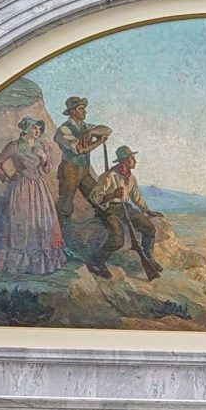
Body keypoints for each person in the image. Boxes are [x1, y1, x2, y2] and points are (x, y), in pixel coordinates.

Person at [0, 116, 66, 275]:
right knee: (20, 221)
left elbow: (47, 169)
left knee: (42, 221)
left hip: (39, 189)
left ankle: (38, 264)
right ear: (26, 129)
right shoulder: (14, 146)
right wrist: (6, 177)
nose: (38, 131)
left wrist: (43, 156)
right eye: (34, 128)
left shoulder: (41, 146)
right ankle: (16, 265)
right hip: (21, 188)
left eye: (39, 128)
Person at [87, 145, 162, 281]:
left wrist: (147, 210)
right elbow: (94, 197)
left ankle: (148, 258)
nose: (135, 161)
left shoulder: (131, 178)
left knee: (149, 228)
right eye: (132, 158)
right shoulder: (109, 176)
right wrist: (112, 195)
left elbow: (136, 197)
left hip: (125, 208)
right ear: (124, 161)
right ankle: (96, 263)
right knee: (118, 240)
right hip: (108, 209)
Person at [53, 96, 109, 222]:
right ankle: (63, 228)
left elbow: (107, 130)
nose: (85, 111)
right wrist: (99, 141)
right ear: (73, 111)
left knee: (95, 195)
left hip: (84, 170)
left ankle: (103, 223)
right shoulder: (64, 129)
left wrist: (91, 132)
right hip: (70, 170)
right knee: (65, 202)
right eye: (81, 109)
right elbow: (80, 150)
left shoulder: (86, 127)